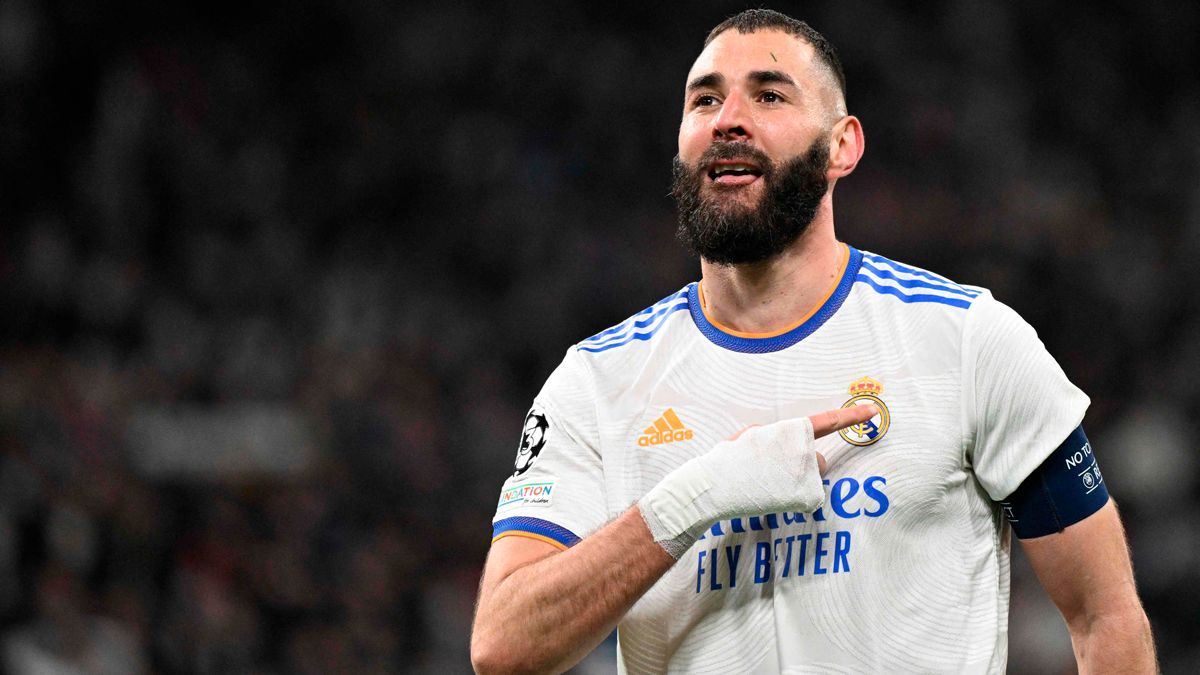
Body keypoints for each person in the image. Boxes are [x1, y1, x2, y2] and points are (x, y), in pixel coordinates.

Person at [471, 9, 1156, 674]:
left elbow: (1106, 619)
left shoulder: (967, 340)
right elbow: (504, 645)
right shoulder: (598, 381)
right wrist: (695, 499)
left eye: (769, 95)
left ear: (842, 146)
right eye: (704, 100)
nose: (728, 118)